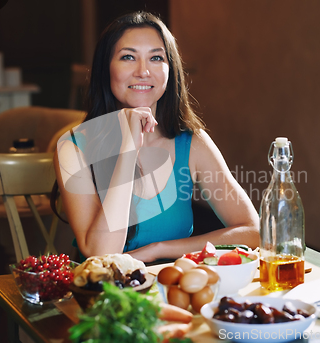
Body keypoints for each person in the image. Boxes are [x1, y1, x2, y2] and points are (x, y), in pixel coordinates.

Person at [53, 11, 259, 263]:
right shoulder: (72, 147)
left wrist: (159, 249)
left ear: (170, 71)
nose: (143, 71)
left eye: (156, 58)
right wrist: (128, 149)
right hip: (107, 293)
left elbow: (252, 232)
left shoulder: (192, 143)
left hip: (175, 287)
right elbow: (102, 255)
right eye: (128, 57)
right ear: (105, 68)